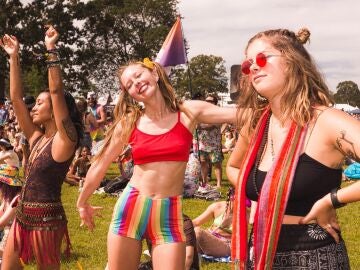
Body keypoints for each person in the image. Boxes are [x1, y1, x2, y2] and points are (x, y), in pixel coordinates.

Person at [76, 58, 236, 270]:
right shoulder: (131, 121)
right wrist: (81, 202)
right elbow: (100, 164)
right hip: (131, 207)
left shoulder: (188, 111)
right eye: (129, 85)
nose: (136, 83)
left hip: (169, 215)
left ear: (154, 73)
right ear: (130, 94)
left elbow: (243, 114)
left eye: (138, 75)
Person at [226, 28, 360, 269]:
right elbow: (234, 167)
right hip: (260, 252)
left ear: (292, 61)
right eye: (248, 65)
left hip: (314, 256)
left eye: (261, 58)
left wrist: (332, 200)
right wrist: (265, 196)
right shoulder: (257, 125)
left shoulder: (326, 121)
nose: (253, 68)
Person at [0, 26, 83, 269]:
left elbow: (56, 91)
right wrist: (13, 57)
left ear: (56, 110)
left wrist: (51, 49)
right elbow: (16, 99)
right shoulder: (36, 138)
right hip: (23, 215)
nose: (33, 108)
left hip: (47, 219)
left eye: (39, 103)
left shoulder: (65, 140)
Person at [192, 187, 234, 258]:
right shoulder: (218, 206)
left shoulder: (247, 213)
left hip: (226, 244)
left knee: (197, 232)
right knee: (192, 230)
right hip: (210, 236)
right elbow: (196, 222)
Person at [197, 94, 224, 188]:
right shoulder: (201, 113)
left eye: (210, 101)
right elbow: (196, 124)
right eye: (206, 101)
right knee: (203, 163)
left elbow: (211, 126)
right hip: (202, 144)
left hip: (214, 144)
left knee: (217, 164)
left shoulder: (218, 113)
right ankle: (204, 182)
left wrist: (200, 125)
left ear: (215, 103)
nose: (208, 102)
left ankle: (219, 184)